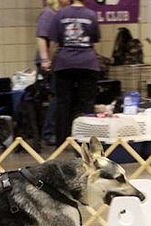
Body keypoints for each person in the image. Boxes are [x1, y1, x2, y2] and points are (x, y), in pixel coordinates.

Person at [48, 0, 101, 146]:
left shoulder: (60, 14)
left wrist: (49, 62)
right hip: (87, 63)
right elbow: (94, 39)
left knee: (63, 103)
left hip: (65, 63)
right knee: (87, 103)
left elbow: (54, 42)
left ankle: (62, 142)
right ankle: (87, 141)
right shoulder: (91, 15)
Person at [36, 0, 70, 146]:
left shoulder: (59, 14)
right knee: (57, 97)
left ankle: (56, 131)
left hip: (57, 62)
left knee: (60, 97)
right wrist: (45, 60)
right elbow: (41, 37)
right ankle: (49, 132)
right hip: (49, 62)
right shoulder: (48, 13)